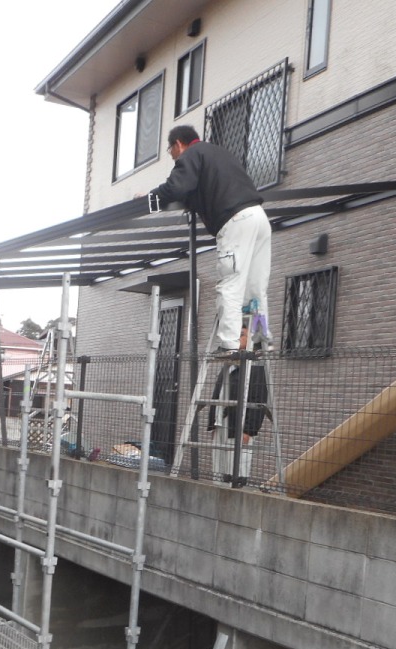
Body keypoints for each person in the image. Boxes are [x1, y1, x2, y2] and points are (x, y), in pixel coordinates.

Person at [147, 124, 271, 352]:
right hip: (259, 218)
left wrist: (149, 199)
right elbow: (196, 190)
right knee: (256, 287)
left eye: (170, 151)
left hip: (236, 221)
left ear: (178, 144)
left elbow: (176, 188)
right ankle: (262, 340)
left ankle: (230, 344)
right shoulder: (220, 154)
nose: (172, 156)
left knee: (230, 283)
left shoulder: (192, 154)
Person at [208, 324, 270, 486]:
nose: (237, 338)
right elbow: (217, 395)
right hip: (221, 423)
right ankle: (219, 490)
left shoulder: (255, 369)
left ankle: (236, 489)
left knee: (237, 466)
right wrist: (212, 424)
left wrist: (249, 430)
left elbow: (258, 400)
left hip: (239, 426)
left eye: (242, 335)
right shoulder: (228, 366)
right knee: (219, 467)